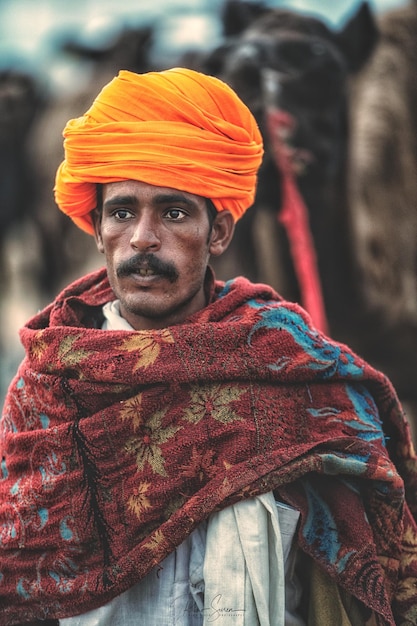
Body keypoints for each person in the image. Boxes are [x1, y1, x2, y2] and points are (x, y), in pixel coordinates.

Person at [1, 67, 417, 626]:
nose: (143, 238)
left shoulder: (295, 373)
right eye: (122, 212)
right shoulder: (48, 390)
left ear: (218, 231)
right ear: (97, 227)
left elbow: (369, 564)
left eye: (173, 212)